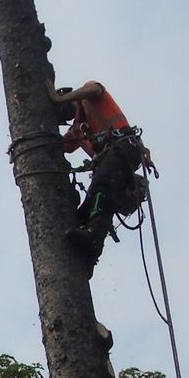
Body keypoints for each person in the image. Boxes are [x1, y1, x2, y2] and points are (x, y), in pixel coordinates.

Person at [52, 81, 151, 270]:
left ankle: (93, 238)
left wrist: (59, 98)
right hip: (115, 159)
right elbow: (57, 147)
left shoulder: (89, 97)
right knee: (83, 212)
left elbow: (94, 89)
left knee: (101, 187)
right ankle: (88, 258)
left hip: (123, 146)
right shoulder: (78, 129)